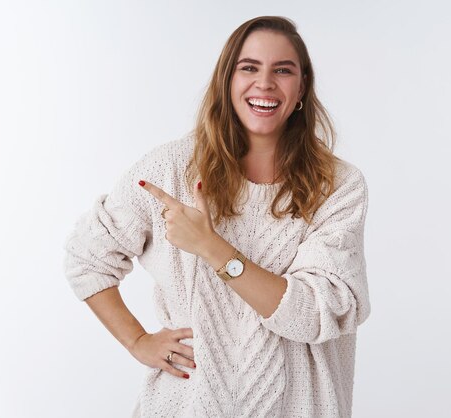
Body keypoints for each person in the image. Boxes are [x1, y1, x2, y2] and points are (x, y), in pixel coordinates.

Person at [63, 16, 370, 417]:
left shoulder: (337, 185)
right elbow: (87, 259)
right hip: (187, 404)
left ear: (302, 88)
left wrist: (211, 247)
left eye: (282, 70)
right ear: (227, 82)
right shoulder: (169, 169)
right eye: (249, 68)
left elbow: (316, 314)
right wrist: (138, 341)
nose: (265, 83)